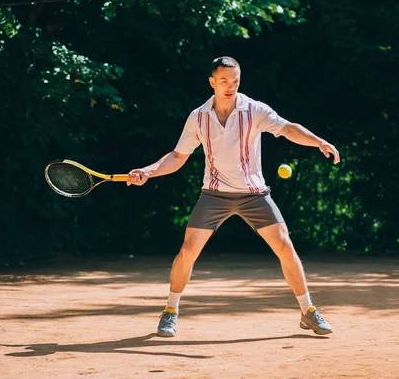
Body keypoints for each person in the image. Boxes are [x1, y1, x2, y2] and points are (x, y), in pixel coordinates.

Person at [127, 56, 340, 337]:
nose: (230, 86)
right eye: (224, 81)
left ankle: (308, 312)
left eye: (235, 81)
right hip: (214, 194)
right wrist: (149, 171)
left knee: (285, 246)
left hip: (254, 194)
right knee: (188, 250)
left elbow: (288, 128)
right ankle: (170, 311)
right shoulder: (198, 117)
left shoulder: (254, 110)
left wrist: (319, 141)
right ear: (212, 82)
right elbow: (178, 156)